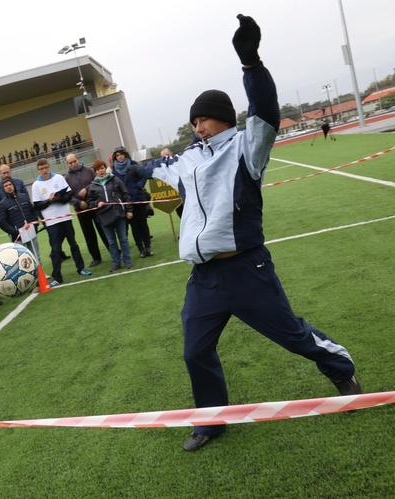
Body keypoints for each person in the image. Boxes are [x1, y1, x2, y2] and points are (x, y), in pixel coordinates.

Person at [142, 14, 361, 452]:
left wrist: (251, 64)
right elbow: (150, 172)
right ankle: (212, 421)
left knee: (293, 336)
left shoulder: (247, 146)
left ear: (223, 120)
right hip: (204, 277)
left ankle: (339, 365)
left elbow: (265, 110)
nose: (198, 126)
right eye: (195, 121)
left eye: (205, 119)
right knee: (194, 352)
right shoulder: (189, 158)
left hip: (247, 269)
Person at [31, 158, 92, 285]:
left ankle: (81, 268)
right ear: (38, 170)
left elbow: (69, 197)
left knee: (73, 244)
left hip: (65, 217)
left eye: (46, 167)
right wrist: (49, 200)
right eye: (41, 169)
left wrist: (59, 198)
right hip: (51, 221)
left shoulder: (59, 178)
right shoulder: (36, 185)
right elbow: (37, 206)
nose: (44, 170)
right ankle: (57, 277)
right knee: (55, 249)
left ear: (49, 167)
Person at [85, 160, 134, 272]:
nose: (101, 171)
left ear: (105, 168)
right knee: (111, 242)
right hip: (104, 217)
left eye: (102, 168)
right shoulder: (92, 186)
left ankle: (127, 261)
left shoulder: (115, 180)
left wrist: (129, 210)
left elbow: (126, 195)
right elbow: (89, 203)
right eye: (98, 169)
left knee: (123, 239)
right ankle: (116, 263)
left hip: (119, 214)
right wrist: (97, 203)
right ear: (95, 172)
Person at [64, 153, 108, 267]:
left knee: (103, 230)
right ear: (67, 164)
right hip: (81, 209)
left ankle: (114, 252)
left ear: (78, 159)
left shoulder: (89, 170)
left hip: (95, 206)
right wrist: (78, 203)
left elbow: (97, 181)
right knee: (88, 234)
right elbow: (67, 196)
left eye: (74, 161)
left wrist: (86, 189)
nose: (73, 164)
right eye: (70, 163)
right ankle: (96, 257)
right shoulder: (67, 178)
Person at [111, 146, 152, 258]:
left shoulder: (134, 164)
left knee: (143, 223)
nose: (119, 157)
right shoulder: (114, 170)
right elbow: (114, 186)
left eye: (121, 154)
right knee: (134, 226)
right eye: (117, 155)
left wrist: (139, 186)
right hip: (127, 203)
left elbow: (144, 176)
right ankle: (141, 249)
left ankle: (148, 247)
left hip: (138, 198)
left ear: (125, 154)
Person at [0, 178, 41, 260]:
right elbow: (2, 222)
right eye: (6, 186)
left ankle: (40, 273)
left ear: (14, 186)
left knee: (36, 256)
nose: (9, 187)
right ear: (3, 189)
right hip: (18, 237)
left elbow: (33, 211)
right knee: (22, 259)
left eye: (10, 184)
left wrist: (35, 224)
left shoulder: (24, 197)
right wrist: (15, 232)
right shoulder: (2, 204)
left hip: (31, 232)